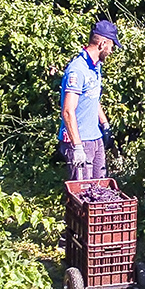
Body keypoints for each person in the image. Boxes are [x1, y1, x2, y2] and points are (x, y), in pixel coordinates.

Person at [58, 19, 121, 181]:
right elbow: (67, 111)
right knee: (82, 194)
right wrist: (77, 147)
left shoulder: (96, 66)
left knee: (99, 188)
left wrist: (105, 125)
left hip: (95, 137)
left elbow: (93, 97)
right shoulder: (77, 70)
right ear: (102, 43)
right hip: (79, 140)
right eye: (111, 46)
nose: (112, 51)